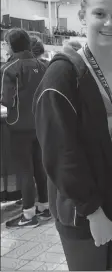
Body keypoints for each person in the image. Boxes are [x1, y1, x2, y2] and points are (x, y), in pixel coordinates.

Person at [33, 0, 112, 271]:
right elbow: (59, 152)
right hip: (84, 194)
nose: (110, 23)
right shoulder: (62, 76)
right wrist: (93, 212)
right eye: (100, 14)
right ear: (82, 17)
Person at [1, 28, 49, 228]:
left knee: (24, 171)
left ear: (11, 45)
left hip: (18, 126)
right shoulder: (43, 65)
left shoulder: (10, 69)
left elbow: (7, 100)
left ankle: (28, 215)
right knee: (40, 167)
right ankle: (44, 207)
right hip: (40, 123)